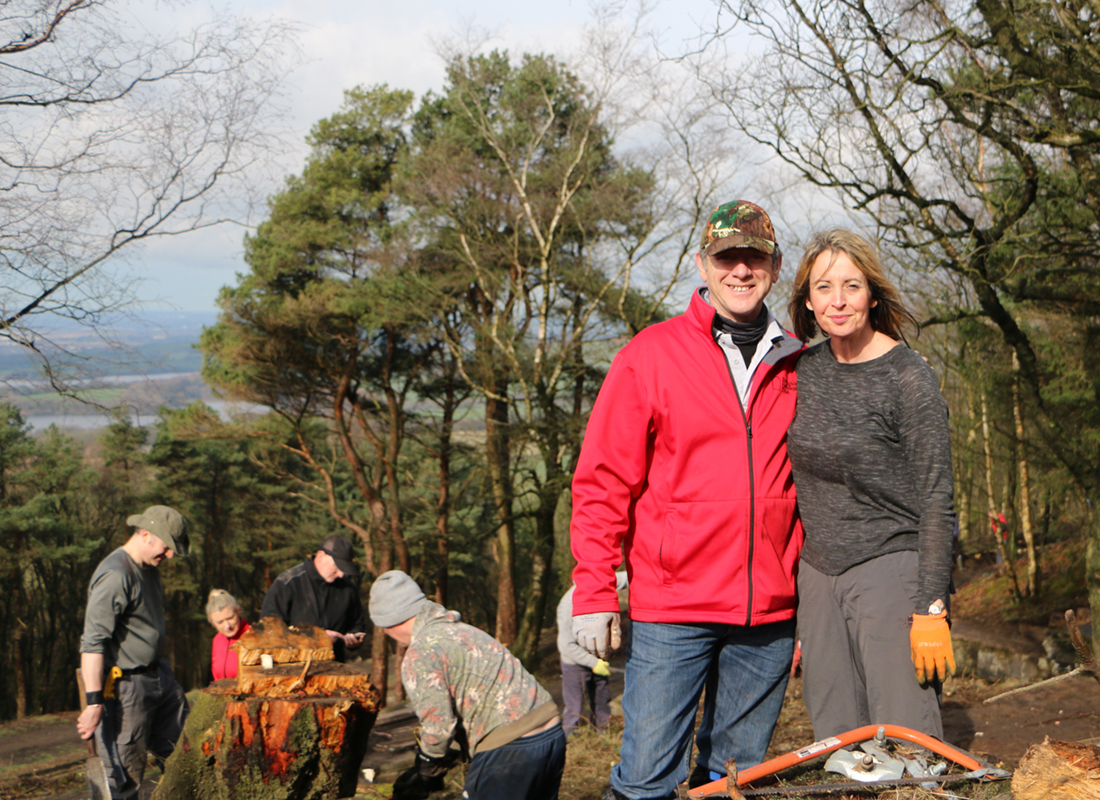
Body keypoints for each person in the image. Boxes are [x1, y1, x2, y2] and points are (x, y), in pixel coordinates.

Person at [570, 200, 804, 798]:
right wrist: (596, 589)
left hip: (768, 617)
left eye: (754, 257)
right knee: (647, 779)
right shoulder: (650, 355)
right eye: (728, 257)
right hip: (674, 608)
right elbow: (602, 482)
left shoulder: (799, 361)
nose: (741, 270)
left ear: (775, 267)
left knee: (733, 782)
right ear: (704, 264)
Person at [786, 228, 956, 741]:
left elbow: (936, 499)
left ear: (873, 294)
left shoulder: (908, 376)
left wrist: (931, 607)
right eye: (823, 288)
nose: (837, 301)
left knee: (905, 738)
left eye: (851, 286)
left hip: (891, 568)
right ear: (808, 301)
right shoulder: (800, 370)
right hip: (817, 576)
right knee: (836, 739)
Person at [369, 571, 566, 800]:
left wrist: (426, 768)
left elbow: (439, 725)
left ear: (388, 622)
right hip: (551, 733)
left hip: (509, 750)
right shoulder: (466, 631)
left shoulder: (421, 652)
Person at [76, 505, 192, 799]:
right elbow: (92, 644)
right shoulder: (115, 575)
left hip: (160, 679)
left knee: (185, 758)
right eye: (167, 547)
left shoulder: (148, 568)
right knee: (126, 780)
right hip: (125, 689)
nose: (170, 555)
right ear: (145, 534)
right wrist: (93, 702)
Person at [261, 534, 366, 661]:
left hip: (333, 668)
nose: (341, 574)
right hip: (293, 667)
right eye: (337, 567)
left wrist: (354, 638)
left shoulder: (348, 588)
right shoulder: (287, 583)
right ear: (321, 556)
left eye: (344, 569)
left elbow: (357, 623)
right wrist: (316, 637)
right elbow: (268, 631)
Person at [556, 572, 628, 737]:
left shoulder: (599, 584)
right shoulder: (568, 605)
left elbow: (626, 578)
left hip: (596, 657)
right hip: (574, 664)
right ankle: (569, 743)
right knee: (575, 708)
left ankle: (603, 735)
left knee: (602, 702)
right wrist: (593, 663)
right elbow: (566, 645)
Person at [207, 589, 251, 682]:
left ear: (238, 611)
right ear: (211, 622)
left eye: (230, 618)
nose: (227, 626)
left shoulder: (254, 635)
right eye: (220, 622)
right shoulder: (217, 640)